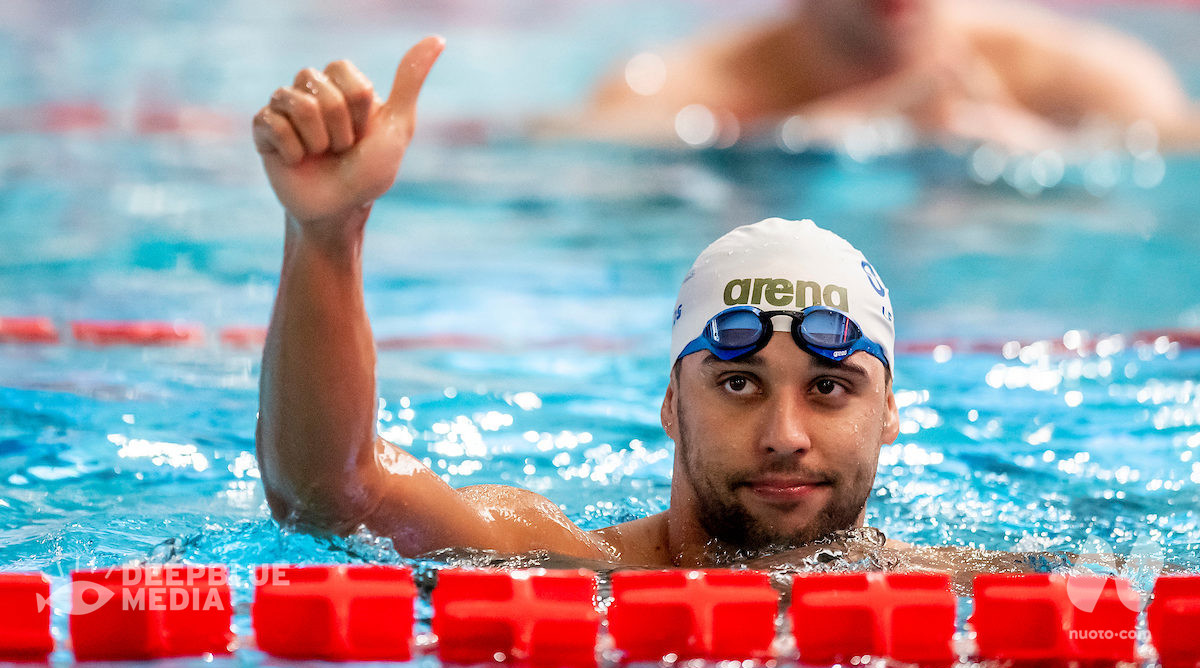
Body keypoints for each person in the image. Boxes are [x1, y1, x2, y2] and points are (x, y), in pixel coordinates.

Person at [251, 37, 930, 569]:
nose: (786, 432)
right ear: (671, 402)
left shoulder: (964, 583)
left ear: (890, 409)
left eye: (830, 386)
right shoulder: (555, 562)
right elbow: (327, 492)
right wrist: (328, 235)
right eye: (738, 381)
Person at [573, 0, 1200, 152]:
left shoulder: (1079, 77)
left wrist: (1043, 152)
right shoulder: (679, 88)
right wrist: (810, 136)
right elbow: (577, 159)